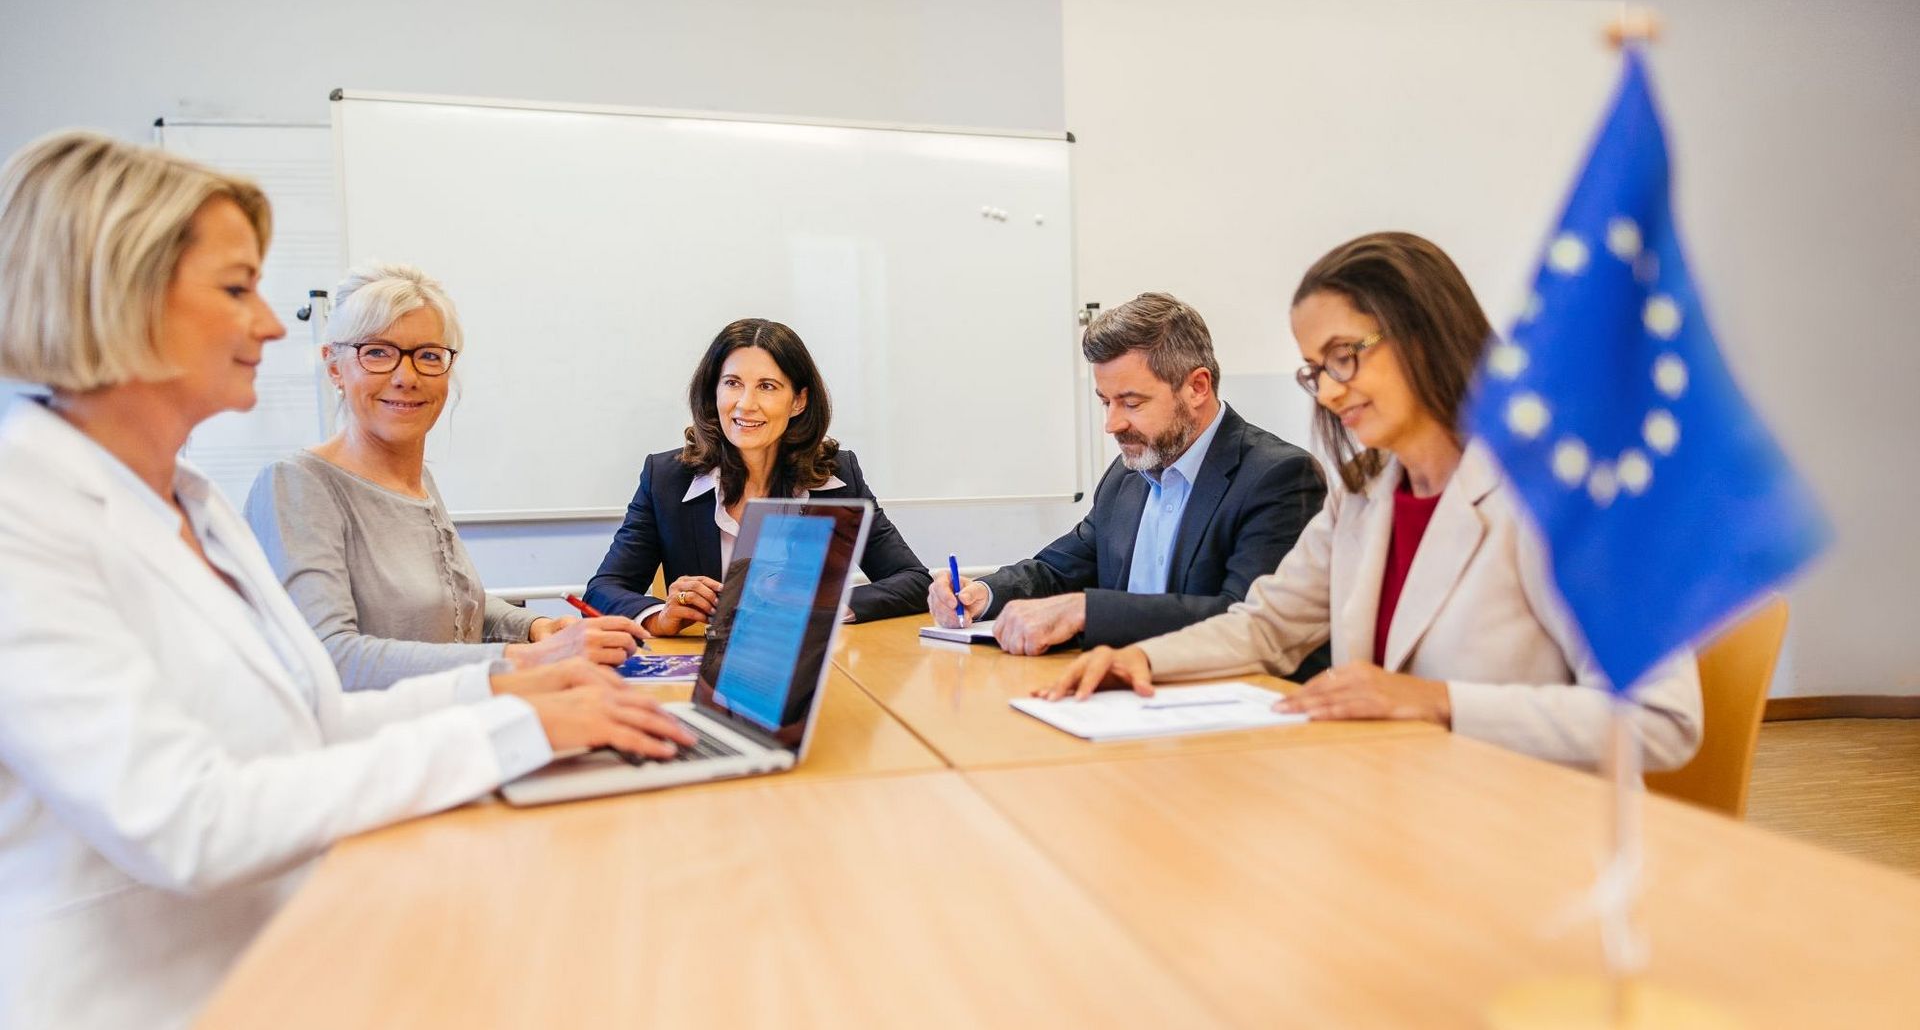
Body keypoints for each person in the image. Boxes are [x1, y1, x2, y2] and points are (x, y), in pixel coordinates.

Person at [0, 131, 695, 1030]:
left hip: (287, 945)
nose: (268, 323)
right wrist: (505, 725)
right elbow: (185, 820)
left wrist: (516, 697)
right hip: (147, 1000)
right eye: (236, 288)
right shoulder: (26, 514)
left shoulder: (188, 498)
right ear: (120, 293)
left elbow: (309, 713)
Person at [1038, 233, 1703, 770]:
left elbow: (1660, 721)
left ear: (1426, 334)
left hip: (1521, 835)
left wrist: (1438, 702)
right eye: (1314, 370)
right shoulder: (1364, 494)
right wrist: (1144, 659)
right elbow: (1266, 628)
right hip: (1394, 805)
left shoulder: (1559, 495)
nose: (1327, 392)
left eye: (1344, 358)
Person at [245, 262, 650, 689]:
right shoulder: (296, 485)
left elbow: (450, 606)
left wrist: (535, 629)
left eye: (428, 356)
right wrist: (526, 658)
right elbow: (330, 658)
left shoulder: (416, 482)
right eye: (377, 352)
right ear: (334, 366)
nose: (406, 377)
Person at [928, 292, 1328, 659]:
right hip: (1121, 692)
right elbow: (1059, 569)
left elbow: (1244, 619)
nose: (1112, 424)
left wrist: (1088, 610)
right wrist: (983, 592)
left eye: (1131, 403)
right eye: (1105, 402)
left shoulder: (1278, 476)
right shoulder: (1127, 475)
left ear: (1197, 387)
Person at [585, 318, 931, 629]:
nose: (746, 403)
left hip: (807, 669)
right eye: (733, 383)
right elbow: (602, 591)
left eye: (767, 386)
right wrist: (661, 616)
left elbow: (914, 581)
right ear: (713, 391)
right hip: (706, 671)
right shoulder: (666, 478)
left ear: (799, 401)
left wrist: (825, 607)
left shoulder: (835, 475)